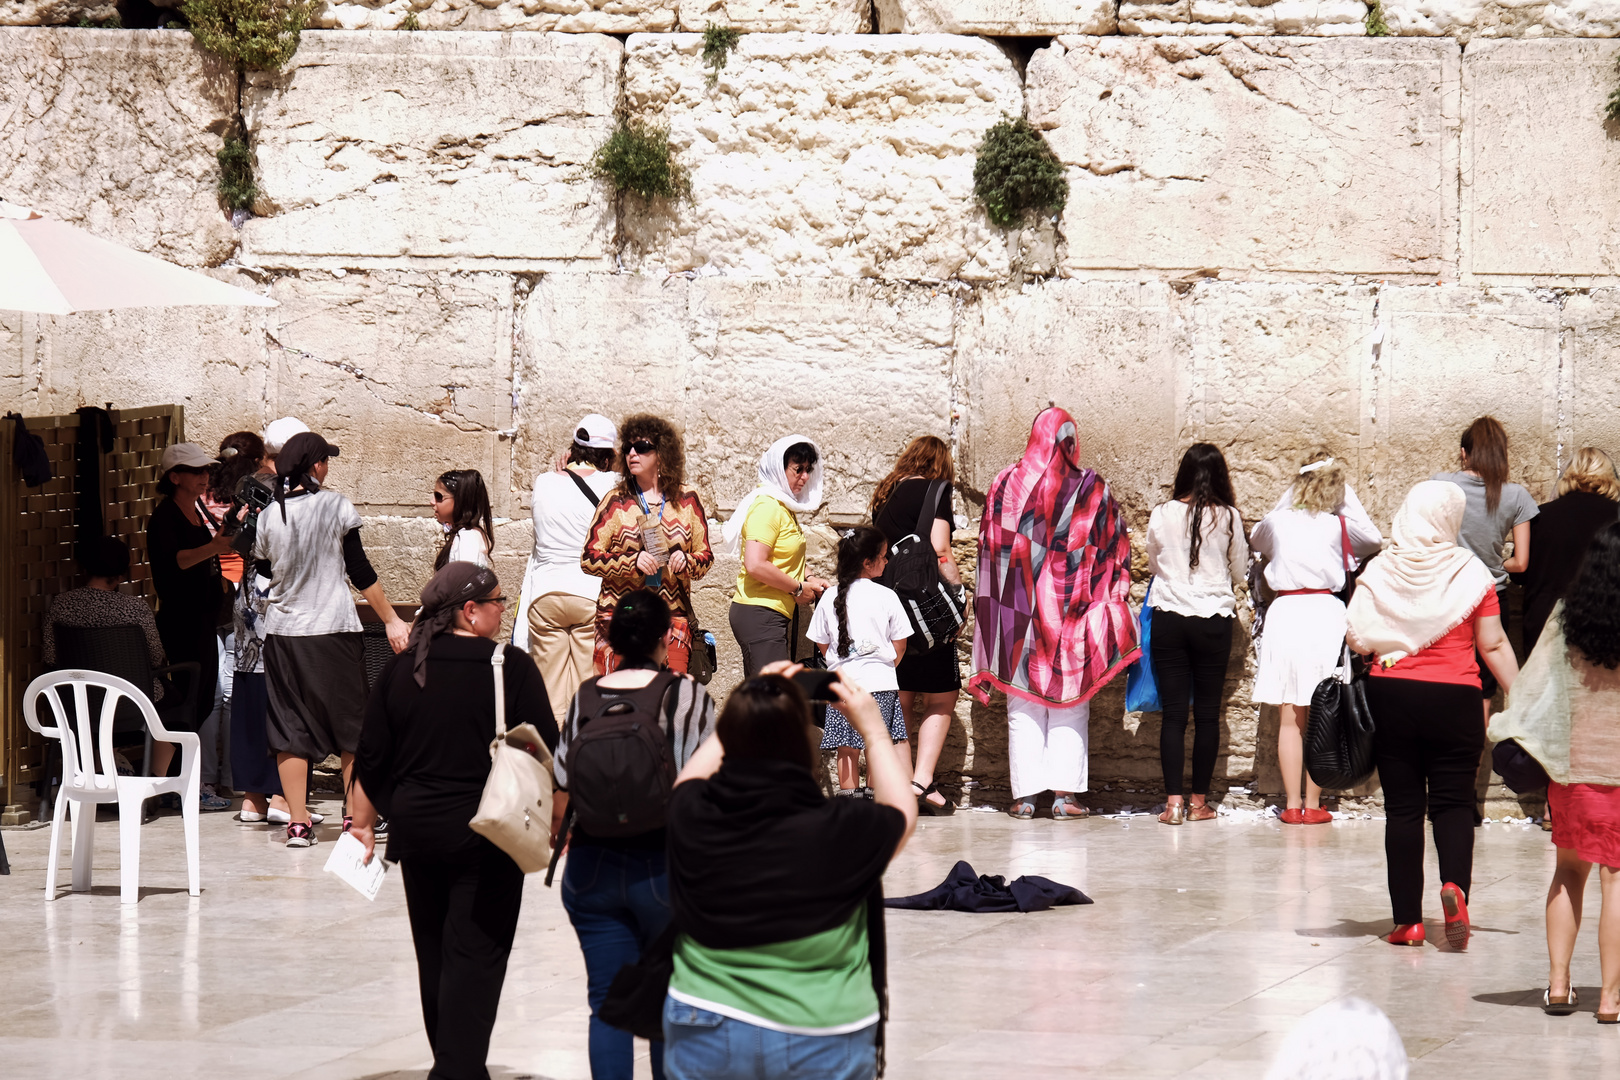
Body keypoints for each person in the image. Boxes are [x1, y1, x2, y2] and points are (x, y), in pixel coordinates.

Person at [351, 562, 557, 1079]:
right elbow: (549, 748)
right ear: (470, 611)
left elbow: (372, 757)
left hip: (417, 833)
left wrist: (362, 825)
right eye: (498, 603)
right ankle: (458, 1069)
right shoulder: (510, 666)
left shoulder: (402, 669)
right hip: (487, 834)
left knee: (435, 952)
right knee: (477, 955)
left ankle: (453, 1061)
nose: (503, 611)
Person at [663, 666, 917, 1080]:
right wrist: (872, 729)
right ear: (804, 747)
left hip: (707, 1018)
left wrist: (751, 702)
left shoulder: (692, 815)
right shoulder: (843, 828)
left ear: (730, 735)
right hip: (825, 1026)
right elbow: (902, 812)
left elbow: (686, 782)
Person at [1348, 481, 1519, 950]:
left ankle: (1409, 922)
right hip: (1457, 699)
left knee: (1403, 809)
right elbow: (1494, 643)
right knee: (1453, 803)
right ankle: (1454, 890)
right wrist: (1523, 696)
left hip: (1394, 696)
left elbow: (1357, 637)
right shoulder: (1470, 572)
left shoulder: (1381, 569)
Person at [552, 589, 715, 1080]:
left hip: (592, 866)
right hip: (665, 867)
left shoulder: (584, 698)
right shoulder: (689, 696)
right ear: (667, 638)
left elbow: (561, 788)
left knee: (607, 1005)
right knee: (674, 1004)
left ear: (612, 640)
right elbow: (708, 789)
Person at [969, 408, 1138, 820]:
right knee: (1070, 700)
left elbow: (990, 546)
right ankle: (1064, 797)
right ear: (1070, 440)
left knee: (1021, 703)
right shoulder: (1091, 487)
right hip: (1073, 608)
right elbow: (1113, 546)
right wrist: (1106, 593)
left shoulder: (1005, 483)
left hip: (1017, 606)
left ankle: (1025, 798)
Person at [253, 432, 410, 848]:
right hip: (333, 632)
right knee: (352, 726)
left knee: (289, 725)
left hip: (284, 635)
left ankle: (299, 824)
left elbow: (263, 575)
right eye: (326, 460)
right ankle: (353, 818)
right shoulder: (337, 506)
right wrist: (392, 620)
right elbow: (360, 571)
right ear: (316, 465)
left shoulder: (270, 515)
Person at [1490, 523, 1620, 1020]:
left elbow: (1532, 688)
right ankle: (1609, 998)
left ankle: (1560, 986)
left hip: (1573, 768)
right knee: (1615, 880)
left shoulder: (1569, 617)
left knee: (1568, 872)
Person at [1250, 448, 1382, 825]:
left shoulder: (1279, 523)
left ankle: (1291, 806)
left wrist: (1293, 490)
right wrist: (1345, 493)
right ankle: (1313, 804)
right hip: (1325, 613)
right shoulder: (1337, 525)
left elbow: (1257, 537)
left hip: (1287, 613)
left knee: (1290, 715)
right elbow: (1372, 539)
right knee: (1324, 710)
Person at [1146, 443, 1249, 825]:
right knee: (1207, 715)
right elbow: (1239, 572)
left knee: (1173, 715)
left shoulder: (1161, 513)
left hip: (1170, 616)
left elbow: (1154, 562)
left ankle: (1172, 804)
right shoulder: (1229, 517)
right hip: (1212, 617)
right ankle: (1198, 802)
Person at [871, 435, 965, 815]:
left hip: (887, 605)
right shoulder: (937, 490)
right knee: (942, 695)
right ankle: (921, 782)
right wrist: (959, 597)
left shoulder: (886, 495)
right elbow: (940, 549)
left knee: (902, 693)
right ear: (940, 465)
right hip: (924, 607)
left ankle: (898, 781)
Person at [581, 415, 714, 676]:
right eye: (628, 448)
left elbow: (706, 556)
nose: (632, 453)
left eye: (641, 447)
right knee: (622, 700)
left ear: (661, 454)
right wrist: (632, 562)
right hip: (622, 616)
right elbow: (589, 557)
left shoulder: (687, 500)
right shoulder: (615, 501)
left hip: (671, 620)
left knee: (672, 701)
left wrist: (687, 563)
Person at [146, 442, 234, 795]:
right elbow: (177, 561)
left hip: (203, 618)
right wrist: (214, 548)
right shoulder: (165, 516)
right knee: (185, 701)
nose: (204, 477)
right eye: (197, 472)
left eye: (206, 471)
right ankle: (162, 784)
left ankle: (178, 782)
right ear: (175, 477)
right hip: (182, 621)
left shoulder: (196, 509)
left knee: (199, 700)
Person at [516, 414, 621, 709]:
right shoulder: (612, 483)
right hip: (589, 594)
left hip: (545, 595)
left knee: (550, 693)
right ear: (608, 456)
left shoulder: (543, 481)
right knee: (586, 689)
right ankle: (578, 751)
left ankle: (549, 752)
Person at [1433, 416, 1538, 711]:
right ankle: (1476, 758)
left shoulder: (1439, 484)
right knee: (1484, 689)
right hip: (1491, 597)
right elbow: (1521, 562)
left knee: (1444, 678)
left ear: (1464, 453)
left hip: (1446, 596)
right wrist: (1496, 564)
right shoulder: (1517, 496)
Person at [808, 526, 911, 795]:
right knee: (876, 743)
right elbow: (900, 645)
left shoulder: (829, 596)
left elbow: (822, 643)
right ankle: (874, 798)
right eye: (883, 556)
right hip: (881, 683)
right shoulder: (888, 596)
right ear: (867, 562)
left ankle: (847, 798)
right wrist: (883, 668)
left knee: (846, 746)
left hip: (843, 684)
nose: (887, 561)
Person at [227, 436, 293, 826]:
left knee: (250, 693)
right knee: (282, 697)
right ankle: (284, 796)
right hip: (276, 603)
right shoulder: (281, 489)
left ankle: (253, 798)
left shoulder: (245, 488)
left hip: (248, 601)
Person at [724, 435, 830, 677]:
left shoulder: (783, 507)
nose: (805, 477)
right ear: (779, 470)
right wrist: (797, 588)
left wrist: (810, 577)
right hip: (760, 612)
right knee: (772, 700)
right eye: (798, 469)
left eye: (808, 470)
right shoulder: (768, 507)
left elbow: (785, 556)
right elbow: (755, 564)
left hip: (770, 613)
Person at [1519, 447, 1620, 653]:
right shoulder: (1617, 517)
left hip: (1544, 625)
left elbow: (1519, 573)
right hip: (1604, 627)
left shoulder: (1540, 515)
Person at [43, 536, 166, 698]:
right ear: (121, 575)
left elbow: (51, 657)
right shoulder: (136, 608)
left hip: (78, 700)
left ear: (85, 568)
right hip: (133, 700)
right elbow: (156, 658)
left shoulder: (61, 604)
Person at [432, 468, 494, 571]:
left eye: (438, 497)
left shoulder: (467, 538)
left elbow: (467, 584)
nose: (432, 502)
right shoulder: (465, 534)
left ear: (459, 500)